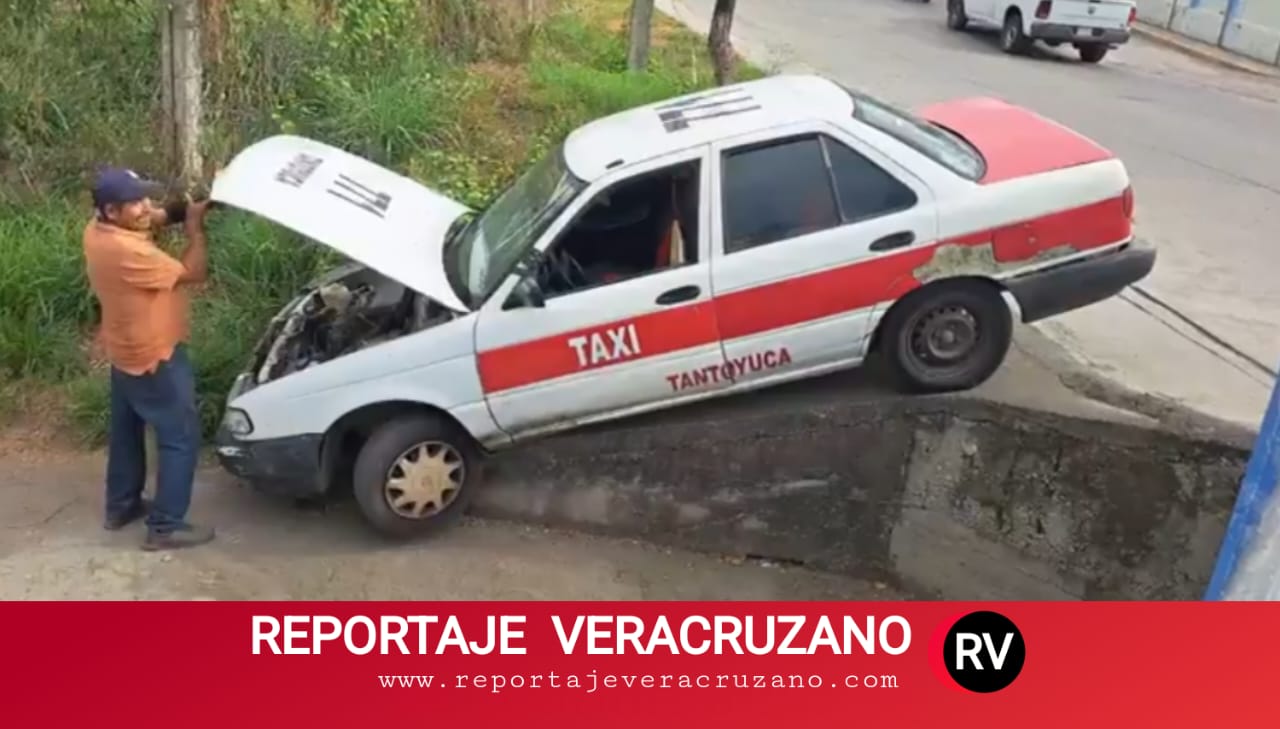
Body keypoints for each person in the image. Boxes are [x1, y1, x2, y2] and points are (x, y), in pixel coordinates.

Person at [82, 167, 216, 550]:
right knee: (180, 436)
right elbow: (194, 272)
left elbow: (155, 217)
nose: (146, 207)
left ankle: (121, 505)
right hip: (155, 356)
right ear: (111, 210)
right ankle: (165, 526)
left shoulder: (97, 230)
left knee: (127, 433)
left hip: (124, 351)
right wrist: (194, 228)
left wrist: (190, 207)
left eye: (146, 198)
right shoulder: (128, 251)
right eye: (136, 202)